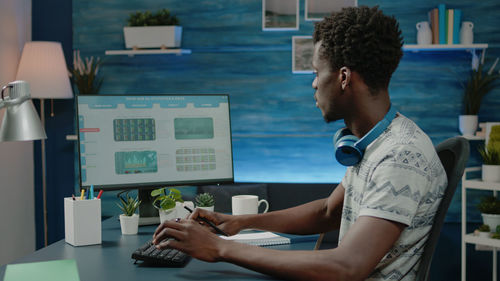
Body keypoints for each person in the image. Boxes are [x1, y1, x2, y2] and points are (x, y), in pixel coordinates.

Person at [152, 6, 447, 281]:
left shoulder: (399, 156)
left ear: (344, 77)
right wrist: (239, 222)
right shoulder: (373, 145)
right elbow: (327, 212)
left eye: (317, 73)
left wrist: (218, 248)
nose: (314, 84)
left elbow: (348, 266)